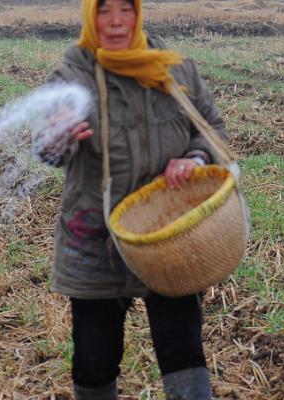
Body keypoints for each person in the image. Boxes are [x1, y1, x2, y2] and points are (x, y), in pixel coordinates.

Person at [39, 0, 229, 398]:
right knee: (95, 356)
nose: (115, 21)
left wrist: (195, 158)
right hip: (95, 238)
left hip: (169, 233)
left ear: (138, 13)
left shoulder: (172, 69)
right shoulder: (74, 75)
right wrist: (57, 138)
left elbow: (210, 126)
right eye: (104, 10)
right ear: (91, 16)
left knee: (182, 348)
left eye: (125, 9)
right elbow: (47, 149)